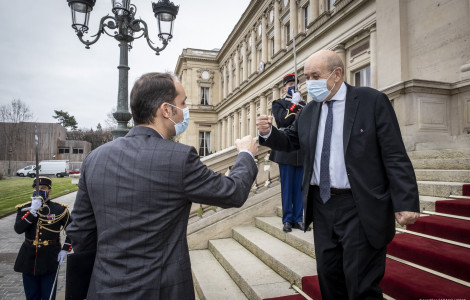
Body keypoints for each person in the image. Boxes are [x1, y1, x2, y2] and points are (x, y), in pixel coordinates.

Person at [66, 72, 258, 300]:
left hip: (104, 288)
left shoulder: (95, 158)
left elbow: (80, 231)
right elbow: (233, 192)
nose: (186, 109)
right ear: (166, 110)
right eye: (183, 103)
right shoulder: (180, 158)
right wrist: (246, 153)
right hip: (161, 291)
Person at [256, 50, 420, 299]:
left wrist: (406, 201)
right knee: (329, 279)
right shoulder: (309, 111)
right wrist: (268, 133)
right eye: (306, 77)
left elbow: (394, 154)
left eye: (315, 76)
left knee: (361, 286)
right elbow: (291, 140)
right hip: (322, 207)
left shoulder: (371, 101)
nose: (309, 83)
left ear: (337, 74)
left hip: (360, 206)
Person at [14, 176, 72, 300]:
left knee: (48, 296)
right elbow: (18, 229)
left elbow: (73, 231)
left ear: (49, 190)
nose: (39, 190)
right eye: (36, 188)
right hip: (29, 258)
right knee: (31, 296)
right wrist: (32, 211)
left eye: (43, 188)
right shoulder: (25, 208)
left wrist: (65, 249)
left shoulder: (59, 209)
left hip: (49, 258)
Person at [270, 73, 310, 232]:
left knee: (299, 187)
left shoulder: (304, 104)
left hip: (301, 150)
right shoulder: (278, 103)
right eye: (289, 84)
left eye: (295, 83)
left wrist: (300, 104)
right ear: (284, 88)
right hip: (286, 150)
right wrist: (293, 105)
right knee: (287, 187)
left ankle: (298, 219)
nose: (292, 86)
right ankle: (287, 219)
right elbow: (282, 121)